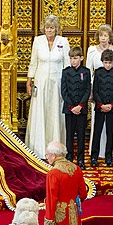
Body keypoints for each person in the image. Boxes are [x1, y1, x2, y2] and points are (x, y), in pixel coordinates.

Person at [26, 15, 70, 156]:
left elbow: (67, 64)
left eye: (52, 28)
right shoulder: (38, 41)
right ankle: (38, 148)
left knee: (55, 112)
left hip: (57, 83)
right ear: (43, 29)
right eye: (47, 28)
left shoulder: (63, 41)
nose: (49, 30)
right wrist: (29, 81)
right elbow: (33, 62)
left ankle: (56, 148)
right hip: (40, 82)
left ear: (56, 29)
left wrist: (67, 84)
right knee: (40, 112)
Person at [42, 142, 86, 225]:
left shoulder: (53, 173)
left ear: (54, 156)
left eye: (47, 155)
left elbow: (51, 200)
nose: (46, 158)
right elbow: (83, 193)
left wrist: (48, 224)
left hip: (59, 216)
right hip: (73, 213)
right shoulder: (76, 168)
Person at [85, 25, 113, 165]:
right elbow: (93, 83)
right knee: (97, 130)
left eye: (106, 36)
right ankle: (95, 156)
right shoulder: (98, 69)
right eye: (101, 36)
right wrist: (99, 103)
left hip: (112, 104)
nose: (103, 38)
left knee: (110, 132)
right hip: (99, 103)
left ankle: (109, 156)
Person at [59, 46, 91, 165]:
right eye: (71, 58)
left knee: (81, 135)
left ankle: (81, 159)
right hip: (69, 109)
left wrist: (80, 105)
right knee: (69, 135)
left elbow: (87, 90)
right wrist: (72, 107)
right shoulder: (66, 72)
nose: (73, 61)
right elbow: (64, 91)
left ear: (81, 58)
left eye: (75, 58)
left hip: (81, 110)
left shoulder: (86, 72)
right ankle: (69, 158)